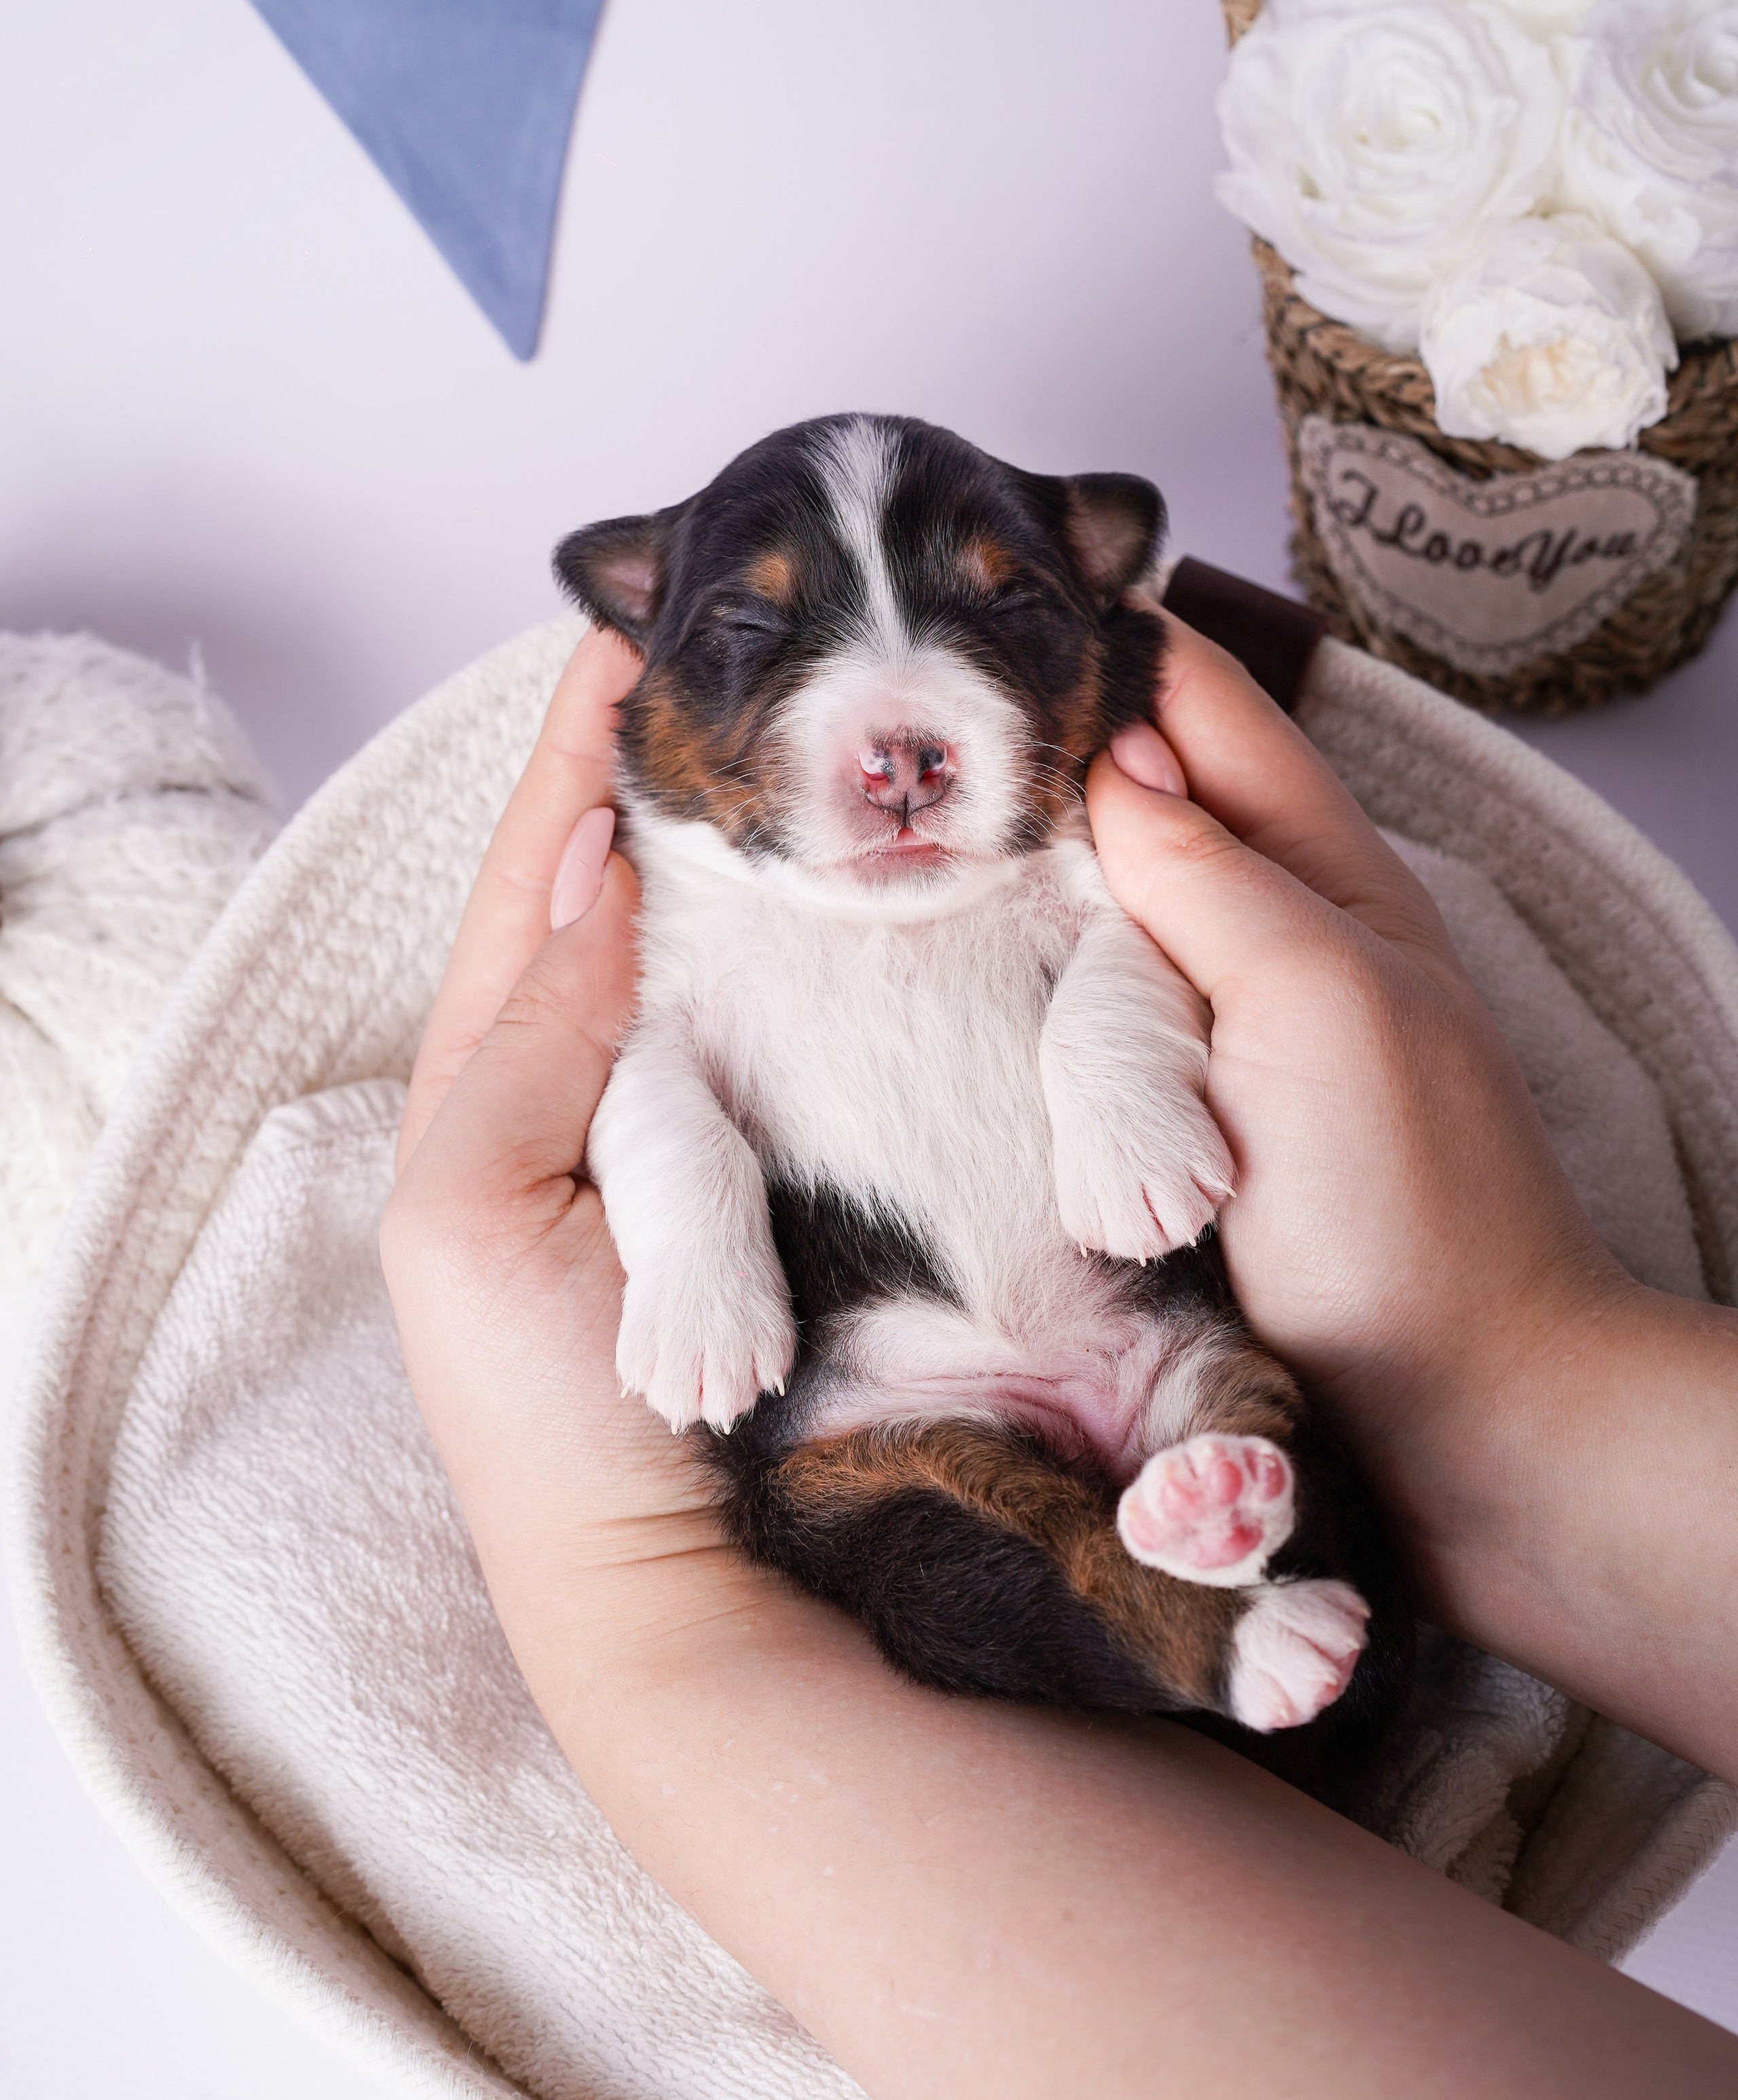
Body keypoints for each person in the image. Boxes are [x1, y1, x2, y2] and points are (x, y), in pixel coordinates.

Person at [381, 610, 1738, 2097]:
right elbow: (655, 1084)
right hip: (888, 1391)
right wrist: (1497, 1369)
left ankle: (1236, 1598)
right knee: (929, 1525)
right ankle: (1190, 1609)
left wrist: (635, 1596)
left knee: (1216, 1427)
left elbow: (1124, 952)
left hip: (1130, 1331)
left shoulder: (1045, 857)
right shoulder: (690, 909)